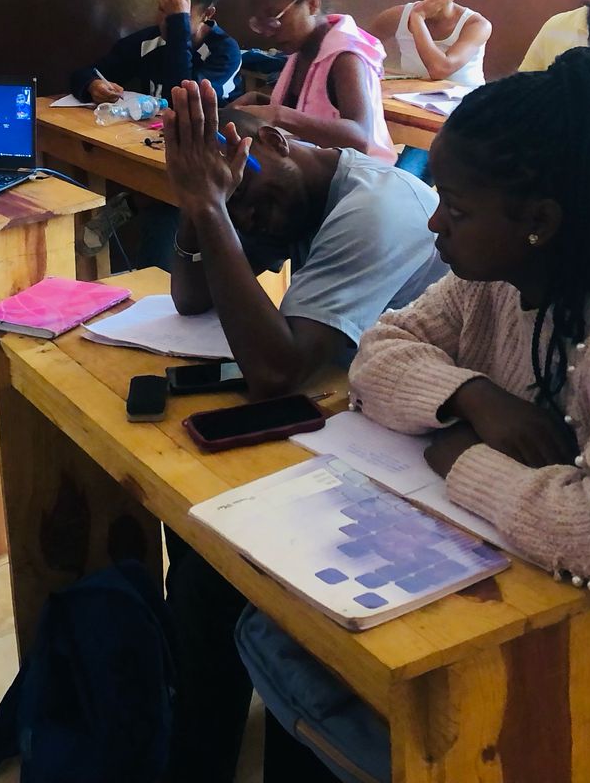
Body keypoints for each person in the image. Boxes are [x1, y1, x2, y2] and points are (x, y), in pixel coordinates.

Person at [251, 49, 590, 776]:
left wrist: (466, 461)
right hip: (532, 583)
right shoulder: (495, 278)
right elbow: (378, 354)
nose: (435, 222)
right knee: (296, 631)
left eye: (456, 208)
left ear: (538, 219)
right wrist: (473, 397)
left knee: (322, 666)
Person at [160, 77, 447, 782]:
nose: (253, 220)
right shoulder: (274, 199)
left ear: (277, 139)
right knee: (197, 540)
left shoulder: (373, 208)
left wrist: (212, 205)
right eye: (239, 210)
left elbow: (275, 373)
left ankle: (206, 754)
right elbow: (192, 298)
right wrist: (203, 206)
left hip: (425, 446)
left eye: (250, 198)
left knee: (213, 576)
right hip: (370, 422)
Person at [231, 0, 397, 163]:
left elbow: (359, 137)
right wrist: (259, 100)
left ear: (312, 4)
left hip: (363, 176)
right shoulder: (301, 50)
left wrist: (278, 114)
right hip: (322, 167)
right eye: (261, 23)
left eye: (275, 18)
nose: (269, 32)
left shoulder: (345, 57)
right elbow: (310, 110)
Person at [69, 0, 243, 104]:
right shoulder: (151, 40)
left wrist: (178, 28)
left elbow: (183, 99)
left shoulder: (225, 52)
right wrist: (93, 85)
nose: (166, 21)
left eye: (181, 14)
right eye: (162, 9)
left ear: (207, 14)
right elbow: (85, 74)